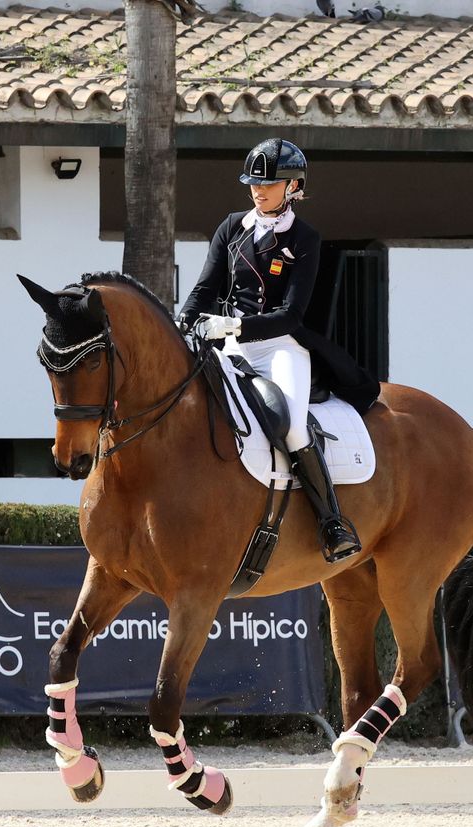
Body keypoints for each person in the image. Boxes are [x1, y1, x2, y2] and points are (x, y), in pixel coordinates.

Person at [177, 138, 378, 563]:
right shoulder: (231, 227)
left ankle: (332, 521)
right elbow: (204, 289)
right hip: (228, 348)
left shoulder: (305, 238)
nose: (258, 190)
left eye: (268, 184)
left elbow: (292, 314)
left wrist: (235, 324)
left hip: (279, 348)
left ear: (293, 187)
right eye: (253, 183)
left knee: (290, 425)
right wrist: (184, 321)